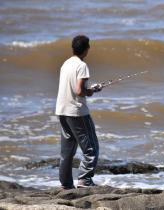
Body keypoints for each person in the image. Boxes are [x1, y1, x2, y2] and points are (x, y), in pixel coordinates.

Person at [55, 35, 102, 189]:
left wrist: (88, 90)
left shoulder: (66, 63)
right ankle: (84, 180)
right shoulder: (81, 66)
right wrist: (91, 91)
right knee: (91, 148)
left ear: (73, 48)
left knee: (67, 151)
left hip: (61, 110)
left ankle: (66, 184)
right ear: (87, 49)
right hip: (76, 112)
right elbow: (79, 90)